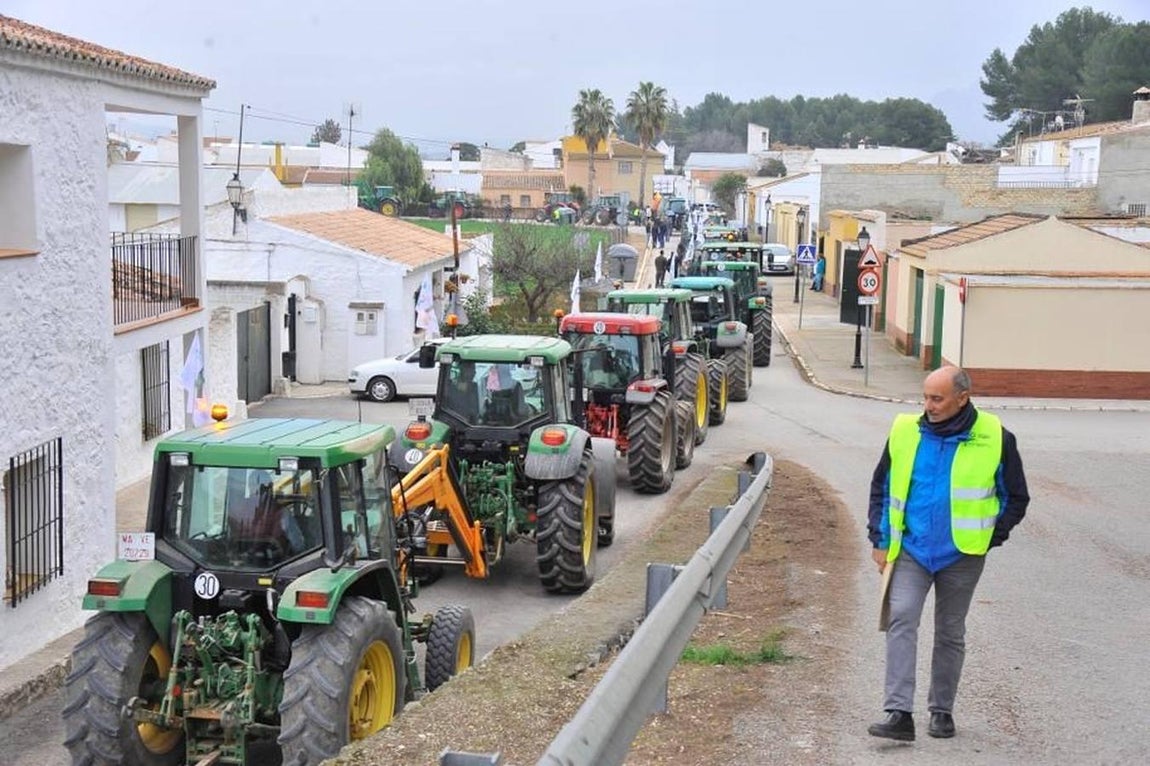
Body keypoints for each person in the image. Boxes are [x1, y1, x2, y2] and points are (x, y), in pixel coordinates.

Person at [866, 366, 1029, 742]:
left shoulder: (995, 437)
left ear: (962, 398)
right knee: (901, 619)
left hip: (963, 554)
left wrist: (992, 536)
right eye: (924, 397)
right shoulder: (905, 431)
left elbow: (1016, 496)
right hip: (911, 549)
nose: (928, 406)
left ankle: (941, 711)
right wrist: (879, 538)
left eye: (936, 399)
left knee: (950, 632)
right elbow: (882, 485)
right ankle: (898, 713)